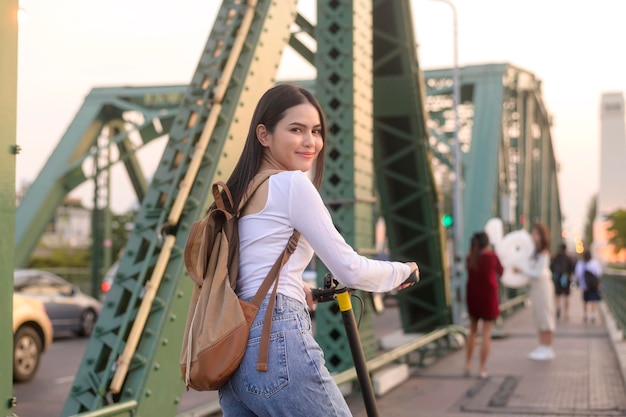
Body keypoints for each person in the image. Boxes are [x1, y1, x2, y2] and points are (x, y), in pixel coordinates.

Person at [216, 84, 418, 416]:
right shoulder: (291, 184)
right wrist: (402, 270)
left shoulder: (242, 190)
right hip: (275, 340)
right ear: (264, 135)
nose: (311, 141)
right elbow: (349, 269)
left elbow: (255, 267)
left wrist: (300, 287)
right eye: (296, 130)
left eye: (316, 131)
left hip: (234, 358)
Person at [513, 223, 556, 361]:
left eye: (536, 234)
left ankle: (548, 347)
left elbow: (537, 273)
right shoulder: (535, 252)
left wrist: (522, 271)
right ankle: (542, 345)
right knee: (538, 315)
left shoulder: (543, 253)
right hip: (536, 287)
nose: (533, 237)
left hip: (542, 286)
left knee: (545, 315)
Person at [464, 232, 503, 379]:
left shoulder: (470, 258)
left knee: (472, 331)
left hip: (473, 297)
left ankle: (468, 364)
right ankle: (481, 368)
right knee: (486, 333)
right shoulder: (492, 257)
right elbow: (501, 271)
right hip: (488, 298)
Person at [574, 250, 603, 323]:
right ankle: (592, 315)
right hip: (593, 285)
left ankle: (585, 314)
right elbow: (599, 273)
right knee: (593, 299)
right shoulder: (595, 263)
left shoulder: (581, 263)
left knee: (585, 300)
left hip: (585, 285)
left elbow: (578, 274)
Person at [550, 243, 575, 320]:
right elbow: (572, 269)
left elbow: (551, 267)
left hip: (558, 279)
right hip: (566, 279)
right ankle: (566, 313)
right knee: (567, 296)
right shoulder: (568, 258)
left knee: (558, 294)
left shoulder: (556, 257)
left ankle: (558, 307)